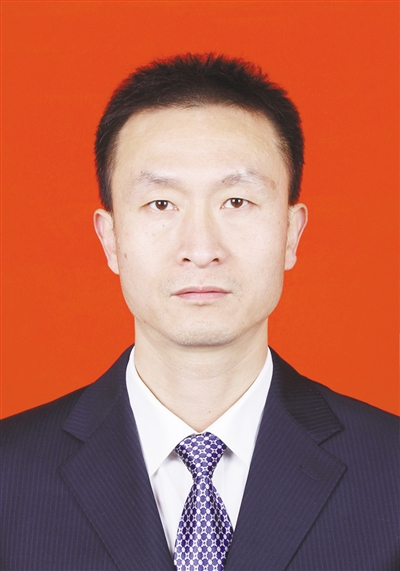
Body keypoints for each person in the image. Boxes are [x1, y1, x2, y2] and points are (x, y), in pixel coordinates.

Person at [1, 54, 398, 571]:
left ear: (291, 234)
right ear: (111, 239)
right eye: (161, 204)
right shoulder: (9, 475)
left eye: (236, 202)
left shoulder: (390, 470)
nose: (202, 249)